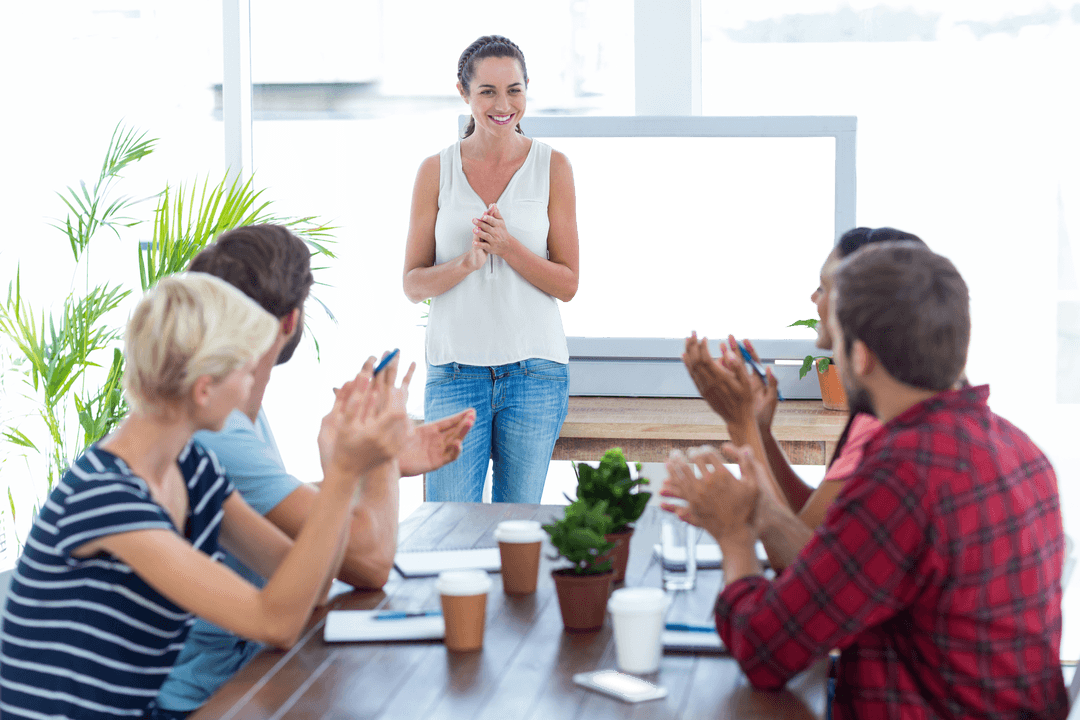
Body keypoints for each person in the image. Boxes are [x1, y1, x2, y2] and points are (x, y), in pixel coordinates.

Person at [661, 242, 1069, 719]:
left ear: (861, 356)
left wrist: (733, 536)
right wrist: (762, 512)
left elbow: (763, 650)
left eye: (835, 338)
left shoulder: (902, 476)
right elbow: (835, 572)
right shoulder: (1022, 451)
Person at [0, 273, 411, 720]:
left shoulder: (191, 468)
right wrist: (345, 474)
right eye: (246, 370)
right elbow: (275, 623)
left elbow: (305, 589)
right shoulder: (106, 497)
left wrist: (340, 468)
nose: (252, 385)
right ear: (204, 389)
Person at [152, 225, 475, 718]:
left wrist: (363, 466)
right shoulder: (215, 432)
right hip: (203, 698)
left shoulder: (230, 423)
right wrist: (376, 455)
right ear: (290, 322)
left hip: (246, 671)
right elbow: (369, 562)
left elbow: (306, 567)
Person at [681, 226, 925, 569]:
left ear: (858, 307)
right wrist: (760, 431)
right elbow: (813, 527)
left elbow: (802, 569)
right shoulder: (875, 416)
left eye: (824, 288)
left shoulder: (884, 434)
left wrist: (740, 423)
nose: (814, 298)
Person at [402, 34, 580, 503]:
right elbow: (412, 284)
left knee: (517, 528)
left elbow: (567, 284)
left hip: (535, 375)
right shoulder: (434, 171)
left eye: (514, 90)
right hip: (456, 373)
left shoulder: (553, 166)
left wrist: (508, 247)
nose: (503, 104)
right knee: (447, 522)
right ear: (465, 94)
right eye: (488, 91)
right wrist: (464, 263)